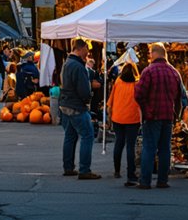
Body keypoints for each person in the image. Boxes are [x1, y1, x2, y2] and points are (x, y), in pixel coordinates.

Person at [134, 42, 186, 190]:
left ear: (153, 53)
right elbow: (180, 96)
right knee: (165, 149)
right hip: (168, 115)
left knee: (149, 148)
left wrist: (145, 109)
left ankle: (145, 181)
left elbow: (138, 94)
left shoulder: (148, 71)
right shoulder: (174, 72)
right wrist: (176, 114)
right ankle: (162, 180)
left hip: (152, 115)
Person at [60, 39, 98, 179]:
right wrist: (88, 96)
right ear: (81, 48)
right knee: (87, 135)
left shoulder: (67, 63)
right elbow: (83, 90)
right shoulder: (78, 66)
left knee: (70, 136)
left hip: (66, 104)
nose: (88, 52)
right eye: (87, 49)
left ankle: (68, 167)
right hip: (76, 106)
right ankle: (84, 170)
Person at [107, 62, 141, 186]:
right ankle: (131, 174)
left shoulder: (118, 82)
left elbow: (111, 100)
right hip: (132, 118)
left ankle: (116, 170)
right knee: (130, 146)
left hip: (118, 116)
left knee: (119, 142)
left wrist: (109, 115)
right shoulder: (137, 84)